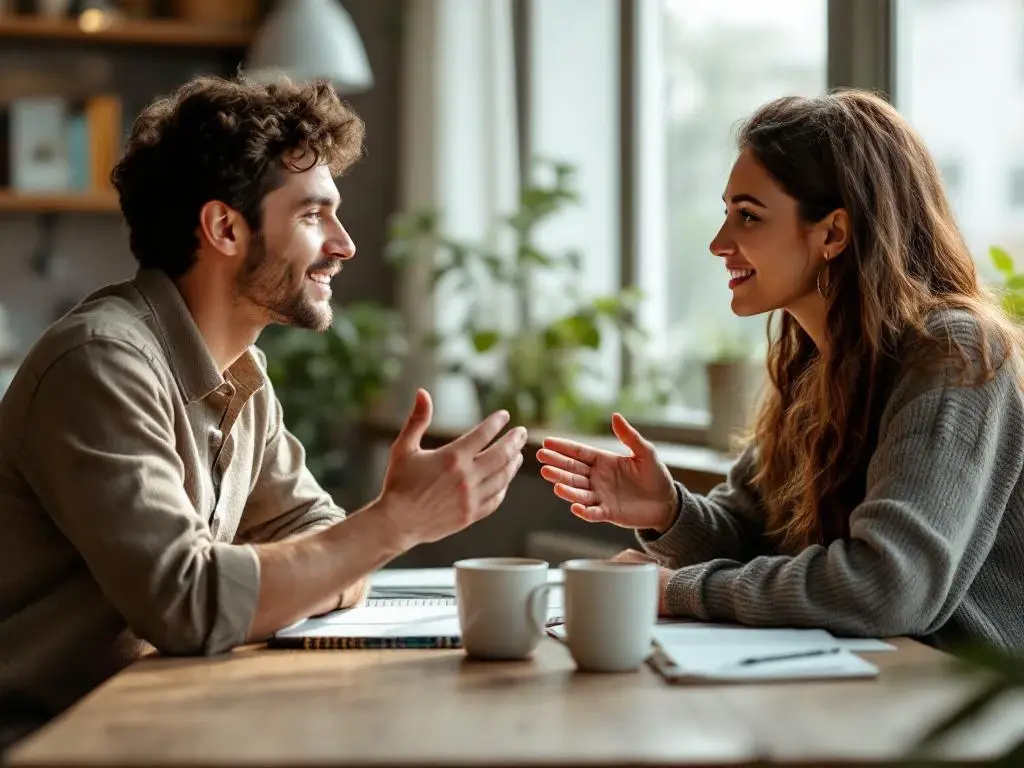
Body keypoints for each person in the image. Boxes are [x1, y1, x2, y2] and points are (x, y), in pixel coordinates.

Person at [0, 75, 526, 747]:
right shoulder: (102, 363)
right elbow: (189, 605)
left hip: (156, 721)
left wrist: (318, 563)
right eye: (313, 215)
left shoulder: (242, 374)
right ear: (224, 227)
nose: (344, 244)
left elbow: (320, 539)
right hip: (49, 742)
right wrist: (392, 523)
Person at [538, 90, 1024, 652]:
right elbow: (755, 537)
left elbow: (886, 586)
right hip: (874, 684)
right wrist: (669, 509)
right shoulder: (815, 361)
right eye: (727, 213)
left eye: (748, 216)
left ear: (833, 233)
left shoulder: (953, 355)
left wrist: (675, 591)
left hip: (960, 708)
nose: (720, 243)